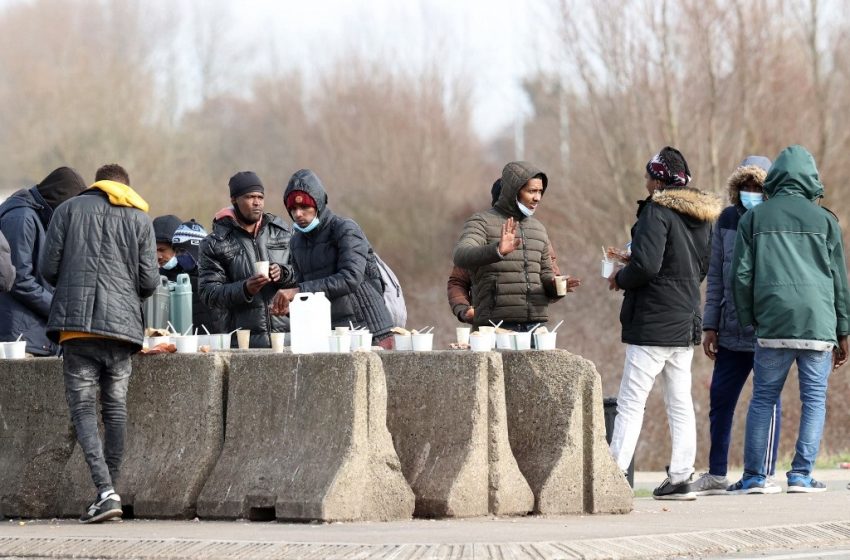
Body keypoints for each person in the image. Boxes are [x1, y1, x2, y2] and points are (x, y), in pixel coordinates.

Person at [40, 163, 159, 523]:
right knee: (115, 408)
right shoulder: (140, 219)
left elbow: (48, 269)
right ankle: (108, 492)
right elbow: (150, 281)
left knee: (83, 410)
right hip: (121, 332)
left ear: (97, 182)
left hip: (76, 328)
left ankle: (105, 492)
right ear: (125, 187)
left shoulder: (67, 210)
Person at [729, 145, 850, 494]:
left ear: (776, 178)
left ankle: (754, 477)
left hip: (773, 323)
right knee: (814, 399)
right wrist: (843, 332)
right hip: (817, 323)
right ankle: (800, 475)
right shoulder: (826, 221)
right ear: (811, 179)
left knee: (763, 397)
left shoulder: (754, 219)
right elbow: (839, 281)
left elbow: (741, 276)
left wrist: (751, 319)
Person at [607, 147, 721, 500]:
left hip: (654, 320)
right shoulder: (702, 217)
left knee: (631, 401)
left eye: (648, 176)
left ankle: (610, 480)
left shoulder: (656, 211)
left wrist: (621, 276)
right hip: (685, 318)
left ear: (659, 179)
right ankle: (682, 477)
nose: (645, 182)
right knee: (679, 402)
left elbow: (647, 266)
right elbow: (700, 267)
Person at [692, 156, 782, 496]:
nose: (750, 192)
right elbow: (715, 275)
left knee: (767, 401)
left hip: (767, 329)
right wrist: (710, 325)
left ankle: (763, 472)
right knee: (720, 399)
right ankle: (716, 473)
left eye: (757, 186)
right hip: (730, 328)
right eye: (745, 186)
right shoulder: (727, 219)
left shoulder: (775, 220)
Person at [271, 169, 394, 347]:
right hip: (332, 335)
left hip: (369, 332)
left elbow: (350, 278)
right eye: (293, 209)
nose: (298, 214)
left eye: (305, 207)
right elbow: (310, 294)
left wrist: (296, 291)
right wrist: (291, 307)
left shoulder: (345, 229)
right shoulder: (296, 242)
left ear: (319, 205)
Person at [452, 162, 564, 332]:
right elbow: (460, 256)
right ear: (514, 191)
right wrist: (497, 250)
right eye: (532, 191)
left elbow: (547, 274)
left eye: (540, 191)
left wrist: (557, 286)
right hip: (494, 328)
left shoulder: (539, 228)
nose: (538, 198)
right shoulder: (481, 222)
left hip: (536, 327)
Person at [198, 171, 295, 348]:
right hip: (242, 344)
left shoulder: (282, 232)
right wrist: (245, 289)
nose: (257, 202)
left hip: (288, 340)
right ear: (234, 199)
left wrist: (284, 272)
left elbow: (304, 273)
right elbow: (209, 293)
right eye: (250, 197)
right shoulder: (215, 242)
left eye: (260, 197)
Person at [0, 167, 87, 356]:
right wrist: (59, 309)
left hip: (32, 333)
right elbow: (17, 279)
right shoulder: (22, 217)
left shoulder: (39, 217)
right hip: (19, 337)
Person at [170, 219, 224, 334]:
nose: (178, 256)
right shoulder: (175, 279)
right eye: (176, 252)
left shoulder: (215, 279)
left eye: (182, 251)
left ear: (196, 250)